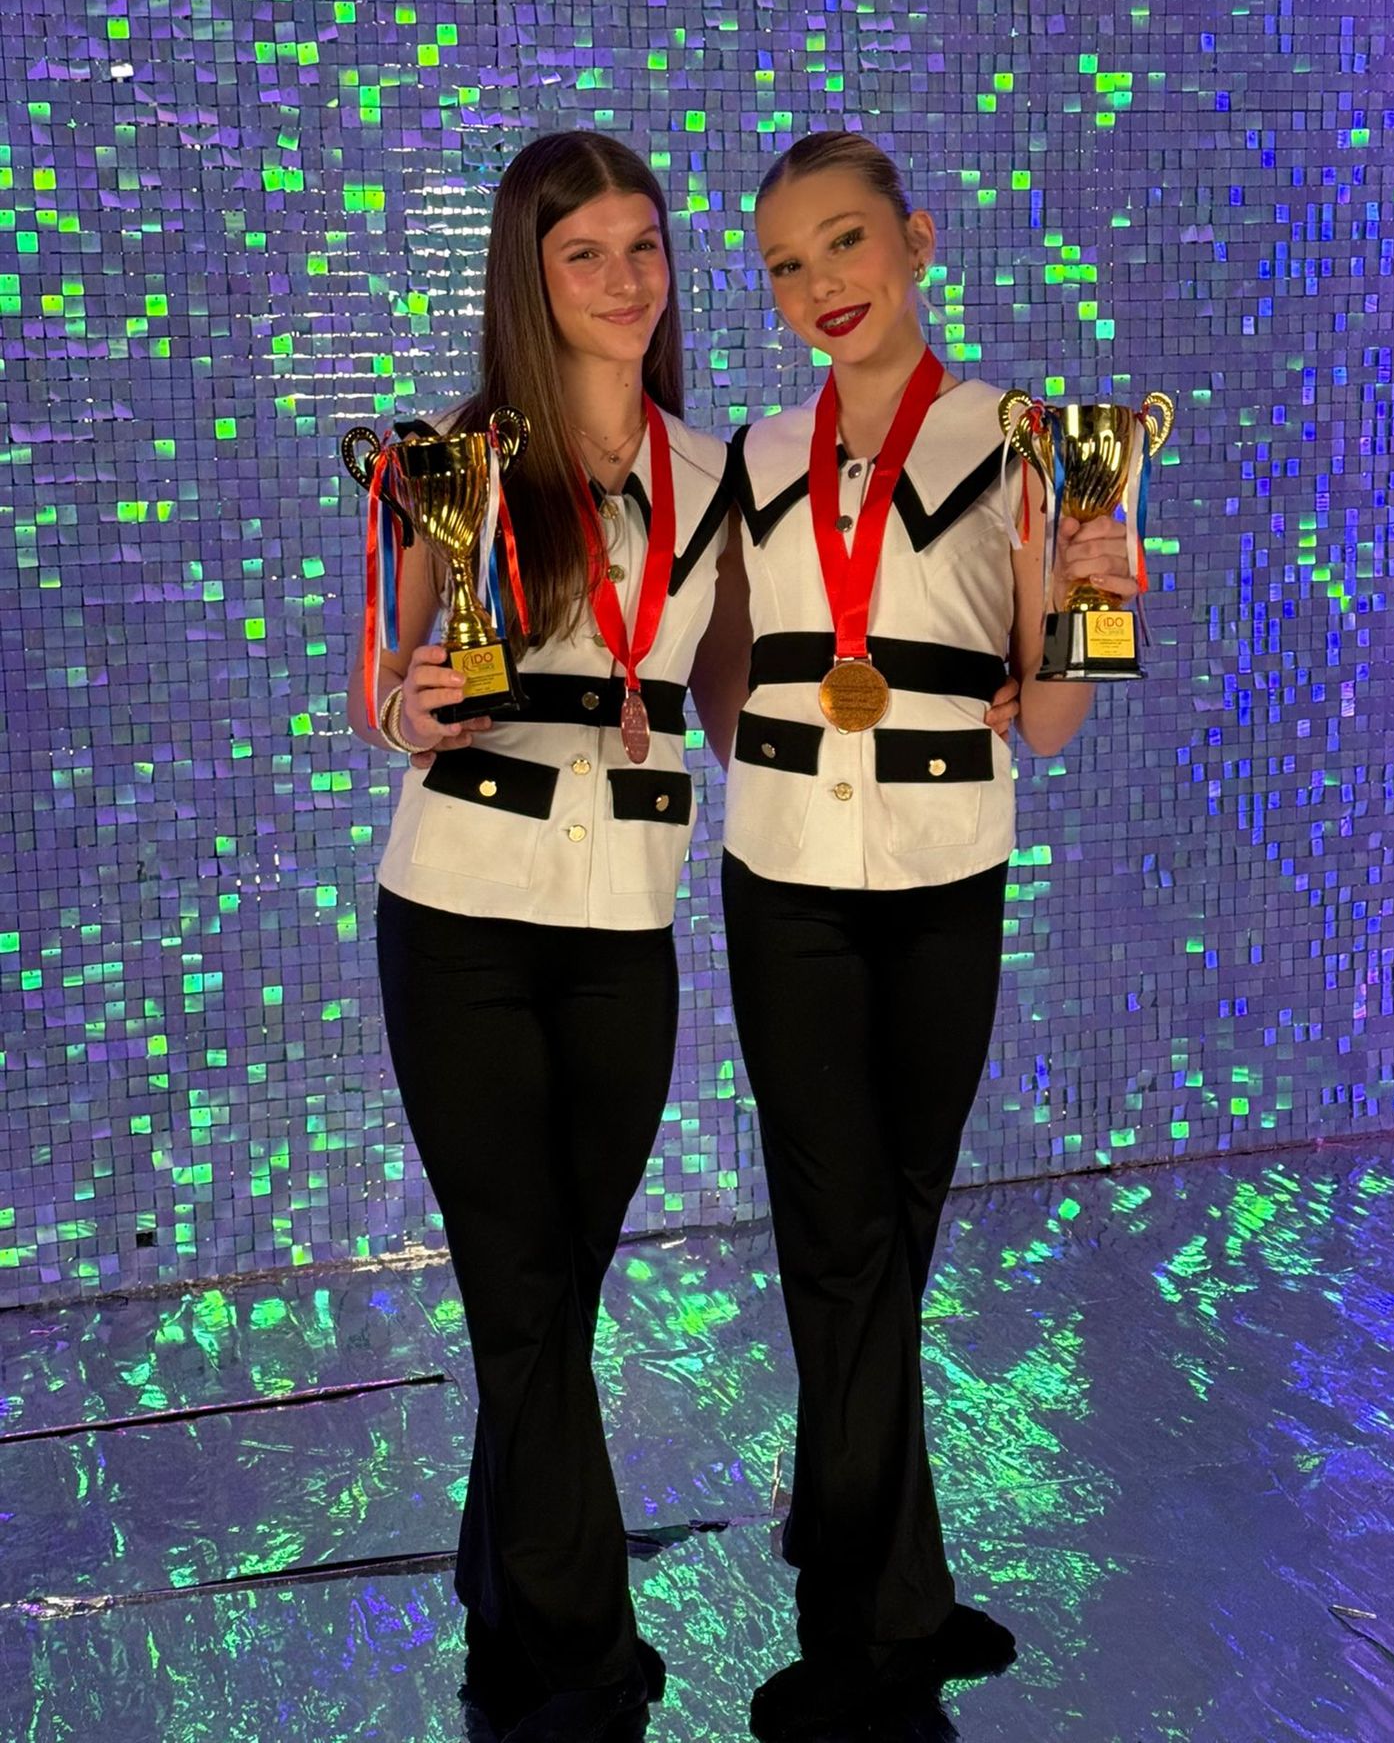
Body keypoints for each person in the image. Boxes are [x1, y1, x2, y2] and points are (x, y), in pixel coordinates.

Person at [705, 131, 1137, 1741]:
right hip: (786, 873)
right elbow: (722, 662)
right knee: (839, 1235)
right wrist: (760, 746)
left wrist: (1098, 595)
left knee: (894, 1226)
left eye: (845, 242)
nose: (821, 283)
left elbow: (1060, 712)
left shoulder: (1024, 442)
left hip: (950, 865)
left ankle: (881, 1566)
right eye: (786, 264)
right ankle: (864, 1630)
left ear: (917, 241)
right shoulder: (754, 456)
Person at [346, 130, 731, 1743]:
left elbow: (739, 701)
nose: (626, 281)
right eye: (586, 255)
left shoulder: (717, 477)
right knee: (517, 1286)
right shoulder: (450, 459)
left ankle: (498, 1566)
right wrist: (412, 705)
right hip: (461, 920)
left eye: (644, 247)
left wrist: (961, 682)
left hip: (624, 923)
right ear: (531, 275)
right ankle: (583, 1659)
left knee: (560, 1287)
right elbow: (375, 692)